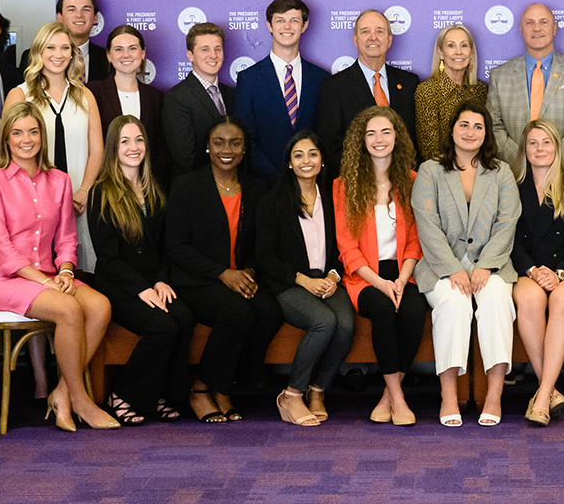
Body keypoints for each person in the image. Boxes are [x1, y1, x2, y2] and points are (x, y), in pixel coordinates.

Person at [0, 103, 119, 432]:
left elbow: (67, 238)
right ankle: (81, 400)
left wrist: (66, 271)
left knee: (99, 306)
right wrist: (45, 281)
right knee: (70, 310)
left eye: (33, 131)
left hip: (51, 278)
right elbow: (1, 249)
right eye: (17, 133)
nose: (26, 139)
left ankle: (62, 393)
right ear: (7, 139)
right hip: (4, 280)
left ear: (42, 135)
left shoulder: (60, 180)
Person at [413, 102, 522, 427]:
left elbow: (507, 223)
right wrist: (452, 269)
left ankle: (494, 394)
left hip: (493, 263)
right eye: (464, 125)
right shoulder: (431, 170)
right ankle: (449, 395)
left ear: (487, 133)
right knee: (453, 302)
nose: (470, 132)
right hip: (440, 264)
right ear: (452, 130)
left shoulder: (500, 172)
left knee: (496, 301)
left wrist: (486, 266)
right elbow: (427, 225)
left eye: (478, 126)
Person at [165, 118, 279, 423]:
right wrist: (223, 274)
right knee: (237, 313)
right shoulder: (186, 186)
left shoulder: (257, 189)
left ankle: (226, 386)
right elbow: (176, 247)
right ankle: (201, 389)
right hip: (198, 281)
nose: (227, 149)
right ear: (207, 146)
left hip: (241, 277)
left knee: (268, 310)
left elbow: (262, 245)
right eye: (219, 142)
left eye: (235, 143)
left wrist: (249, 272)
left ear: (244, 149)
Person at [87, 115, 192, 426]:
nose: (134, 147)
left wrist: (160, 281)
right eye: (125, 141)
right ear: (113, 148)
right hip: (119, 284)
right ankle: (124, 394)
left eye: (139, 140)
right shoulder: (101, 193)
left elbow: (165, 248)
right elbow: (108, 258)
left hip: (151, 280)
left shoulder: (155, 189)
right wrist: (142, 288)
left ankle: (162, 394)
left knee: (184, 318)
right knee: (163, 328)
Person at [334, 111, 429, 426]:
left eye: (386, 132)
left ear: (396, 137)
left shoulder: (413, 181)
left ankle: (388, 395)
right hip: (364, 278)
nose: (379, 140)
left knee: (414, 311)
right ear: (361, 141)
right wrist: (380, 283)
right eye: (371, 133)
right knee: (386, 311)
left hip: (406, 272)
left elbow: (417, 238)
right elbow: (347, 247)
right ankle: (398, 398)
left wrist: (402, 278)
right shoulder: (343, 187)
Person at [258, 131, 351, 427]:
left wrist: (334, 276)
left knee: (346, 324)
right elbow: (265, 259)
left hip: (328, 279)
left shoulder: (334, 197)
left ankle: (317, 391)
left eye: (313, 154)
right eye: (298, 155)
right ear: (288, 163)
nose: (306, 161)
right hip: (289, 284)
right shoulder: (272, 201)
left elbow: (343, 245)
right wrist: (304, 281)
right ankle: (291, 394)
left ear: (323, 160)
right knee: (324, 322)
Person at [512, 119, 564, 426]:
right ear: (524, 149)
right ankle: (550, 392)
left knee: (561, 300)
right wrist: (533, 270)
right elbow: (510, 240)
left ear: (557, 148)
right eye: (533, 143)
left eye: (546, 142)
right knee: (530, 300)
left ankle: (543, 391)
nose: (539, 149)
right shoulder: (513, 186)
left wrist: (559, 273)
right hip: (529, 271)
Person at [4, 21, 105, 272]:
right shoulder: (20, 95)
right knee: (37, 266)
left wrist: (84, 191)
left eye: (64, 48)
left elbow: (97, 150)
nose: (57, 55)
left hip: (80, 201)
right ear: (39, 51)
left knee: (79, 268)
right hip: (31, 202)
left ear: (73, 53)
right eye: (50, 48)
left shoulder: (85, 95)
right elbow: (9, 151)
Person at [487, 3, 564, 170]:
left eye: (543, 22)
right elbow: (494, 126)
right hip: (515, 173)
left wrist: (552, 161)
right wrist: (522, 161)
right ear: (521, 29)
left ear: (554, 28)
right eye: (529, 23)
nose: (536, 28)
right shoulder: (499, 75)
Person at [236, 0, 330, 179]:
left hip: (312, 184)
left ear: (304, 26)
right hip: (265, 187)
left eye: (294, 20)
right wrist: (278, 181)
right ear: (269, 26)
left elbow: (325, 135)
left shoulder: (321, 78)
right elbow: (246, 139)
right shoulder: (249, 79)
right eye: (280, 20)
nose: (287, 27)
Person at [317, 10, 421, 166]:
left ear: (389, 40)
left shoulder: (409, 83)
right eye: (365, 32)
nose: (373, 37)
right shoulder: (334, 87)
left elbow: (415, 141)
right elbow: (332, 147)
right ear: (355, 40)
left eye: (380, 31)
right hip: (358, 183)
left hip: (405, 181)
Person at [86, 25, 168, 182]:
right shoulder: (92, 92)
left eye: (132, 48)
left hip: (145, 186)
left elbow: (160, 151)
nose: (126, 55)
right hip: (104, 184)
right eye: (118, 49)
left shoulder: (156, 97)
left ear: (142, 53)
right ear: (109, 55)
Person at [164, 22, 238, 172]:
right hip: (196, 187)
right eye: (205, 49)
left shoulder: (232, 94)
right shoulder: (176, 97)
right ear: (190, 55)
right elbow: (185, 157)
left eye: (218, 49)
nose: (213, 55)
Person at [414, 24, 490, 164]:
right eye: (451, 46)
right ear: (441, 52)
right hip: (442, 174)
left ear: (471, 52)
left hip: (478, 171)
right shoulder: (427, 91)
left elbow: (486, 140)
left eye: (464, 45)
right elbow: (429, 150)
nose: (458, 52)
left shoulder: (480, 90)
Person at [4, 0, 109, 82]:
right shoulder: (32, 56)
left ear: (95, 17)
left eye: (86, 9)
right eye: (71, 10)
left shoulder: (107, 57)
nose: (79, 15)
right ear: (60, 17)